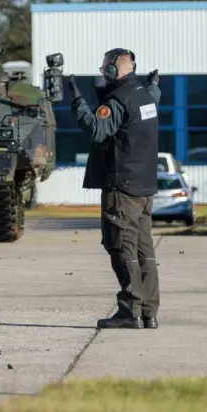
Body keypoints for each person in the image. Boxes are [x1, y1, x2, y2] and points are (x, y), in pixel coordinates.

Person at [66, 48, 163, 330]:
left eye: (103, 66)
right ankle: (148, 312)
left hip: (122, 188)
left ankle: (129, 311)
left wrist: (77, 101)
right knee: (145, 251)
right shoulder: (146, 96)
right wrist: (154, 87)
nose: (100, 70)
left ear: (112, 70)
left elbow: (98, 129)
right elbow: (144, 105)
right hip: (144, 188)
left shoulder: (118, 100)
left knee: (121, 246)